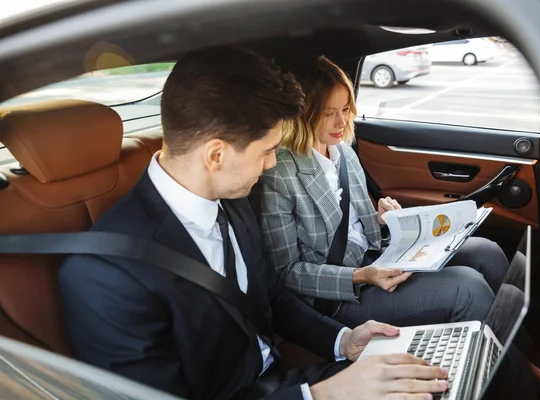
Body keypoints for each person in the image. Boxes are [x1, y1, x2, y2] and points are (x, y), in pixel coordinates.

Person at [58, 47, 451, 400]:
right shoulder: (104, 275)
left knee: (438, 381)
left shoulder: (232, 204)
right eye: (266, 152)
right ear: (216, 154)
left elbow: (271, 297)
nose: (271, 165)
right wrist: (323, 396)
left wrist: (344, 340)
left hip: (286, 380)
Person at [254, 55, 511, 330]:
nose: (341, 122)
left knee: (487, 252)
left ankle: (518, 356)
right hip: (338, 295)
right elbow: (287, 273)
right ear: (304, 114)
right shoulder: (279, 173)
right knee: (467, 288)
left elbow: (356, 227)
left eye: (345, 109)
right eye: (329, 113)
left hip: (377, 258)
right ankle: (506, 368)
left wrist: (379, 219)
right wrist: (362, 276)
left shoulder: (343, 152)